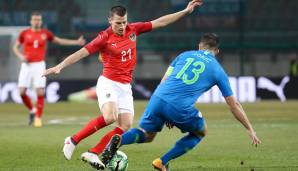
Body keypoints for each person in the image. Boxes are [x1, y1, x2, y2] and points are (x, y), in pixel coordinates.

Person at [43, 1, 203, 170]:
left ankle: (93, 152)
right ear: (110, 21)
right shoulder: (104, 37)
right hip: (108, 83)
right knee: (110, 117)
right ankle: (73, 140)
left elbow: (160, 22)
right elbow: (82, 52)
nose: (122, 26)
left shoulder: (133, 30)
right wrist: (59, 66)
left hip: (125, 86)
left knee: (125, 126)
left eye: (124, 22)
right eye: (118, 23)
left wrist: (185, 11)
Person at [101, 33, 262, 171]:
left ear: (200, 46)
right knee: (200, 132)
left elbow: (165, 80)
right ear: (217, 51)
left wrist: (166, 113)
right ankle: (162, 162)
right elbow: (234, 104)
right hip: (178, 106)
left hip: (158, 98)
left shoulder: (183, 55)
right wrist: (249, 128)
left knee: (146, 134)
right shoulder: (218, 70)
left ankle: (120, 139)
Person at [13, 11, 86, 127]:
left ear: (41, 21)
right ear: (31, 21)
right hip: (26, 66)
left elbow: (60, 41)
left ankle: (38, 118)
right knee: (21, 92)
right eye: (34, 19)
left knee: (40, 92)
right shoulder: (24, 33)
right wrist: (21, 56)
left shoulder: (45, 33)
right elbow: (15, 47)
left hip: (39, 65)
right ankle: (32, 110)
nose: (36, 22)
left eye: (38, 20)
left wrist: (76, 42)